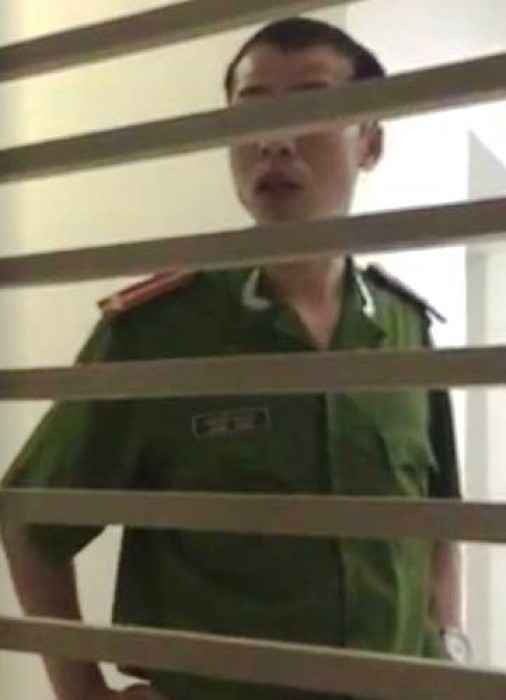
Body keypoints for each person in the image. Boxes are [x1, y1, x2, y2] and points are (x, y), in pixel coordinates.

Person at [1, 16, 466, 700]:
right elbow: (32, 521)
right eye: (251, 114)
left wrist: (448, 648)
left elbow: (440, 520)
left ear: (369, 141)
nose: (274, 140)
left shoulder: (404, 330)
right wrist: (83, 692)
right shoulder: (160, 335)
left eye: (310, 107)